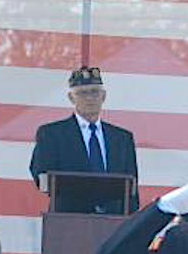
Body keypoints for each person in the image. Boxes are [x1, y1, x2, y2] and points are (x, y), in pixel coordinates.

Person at [29, 66, 140, 214]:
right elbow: (41, 176)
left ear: (104, 96)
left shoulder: (122, 138)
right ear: (71, 97)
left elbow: (131, 187)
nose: (89, 98)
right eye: (82, 93)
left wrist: (131, 223)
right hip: (69, 219)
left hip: (114, 222)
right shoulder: (52, 134)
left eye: (94, 92)